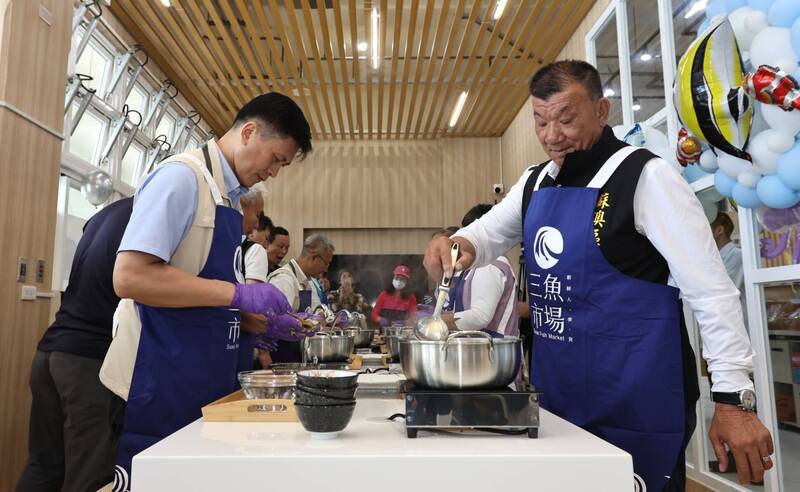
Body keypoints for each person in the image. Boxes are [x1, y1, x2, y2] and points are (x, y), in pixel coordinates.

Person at [424, 60, 773, 490]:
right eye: (540, 121)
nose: (552, 136)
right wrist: (453, 243)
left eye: (566, 119)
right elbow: (486, 234)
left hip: (637, 401)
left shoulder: (646, 176)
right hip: (560, 400)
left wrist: (733, 398)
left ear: (601, 111)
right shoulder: (535, 182)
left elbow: (712, 293)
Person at [102, 92, 312, 491]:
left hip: (199, 379)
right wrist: (236, 296)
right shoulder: (182, 178)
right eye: (276, 159)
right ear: (249, 132)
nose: (274, 172)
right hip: (156, 379)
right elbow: (129, 278)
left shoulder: (228, 200)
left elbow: (197, 290)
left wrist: (254, 323)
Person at [16, 198, 132, 492]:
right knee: (89, 476)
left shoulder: (105, 214)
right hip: (86, 360)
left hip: (50, 351)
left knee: (44, 466)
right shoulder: (149, 218)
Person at [437, 204, 518, 337]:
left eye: (467, 232)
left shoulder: (490, 264)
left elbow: (480, 317)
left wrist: (436, 320)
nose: (463, 237)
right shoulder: (473, 264)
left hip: (494, 351)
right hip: (476, 348)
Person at [262, 234, 335, 362]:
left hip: (296, 354)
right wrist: (263, 354)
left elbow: (316, 312)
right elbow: (270, 321)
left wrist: (321, 319)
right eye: (326, 263)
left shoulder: (308, 281)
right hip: (280, 356)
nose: (326, 268)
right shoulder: (284, 279)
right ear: (314, 257)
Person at [711, 212, 743, 292]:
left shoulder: (737, 255)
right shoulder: (714, 256)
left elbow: (721, 288)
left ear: (719, 230)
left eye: (705, 228)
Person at [242, 211, 273, 284]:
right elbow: (253, 292)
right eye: (266, 238)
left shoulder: (236, 246)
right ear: (252, 232)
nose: (266, 246)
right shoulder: (257, 249)